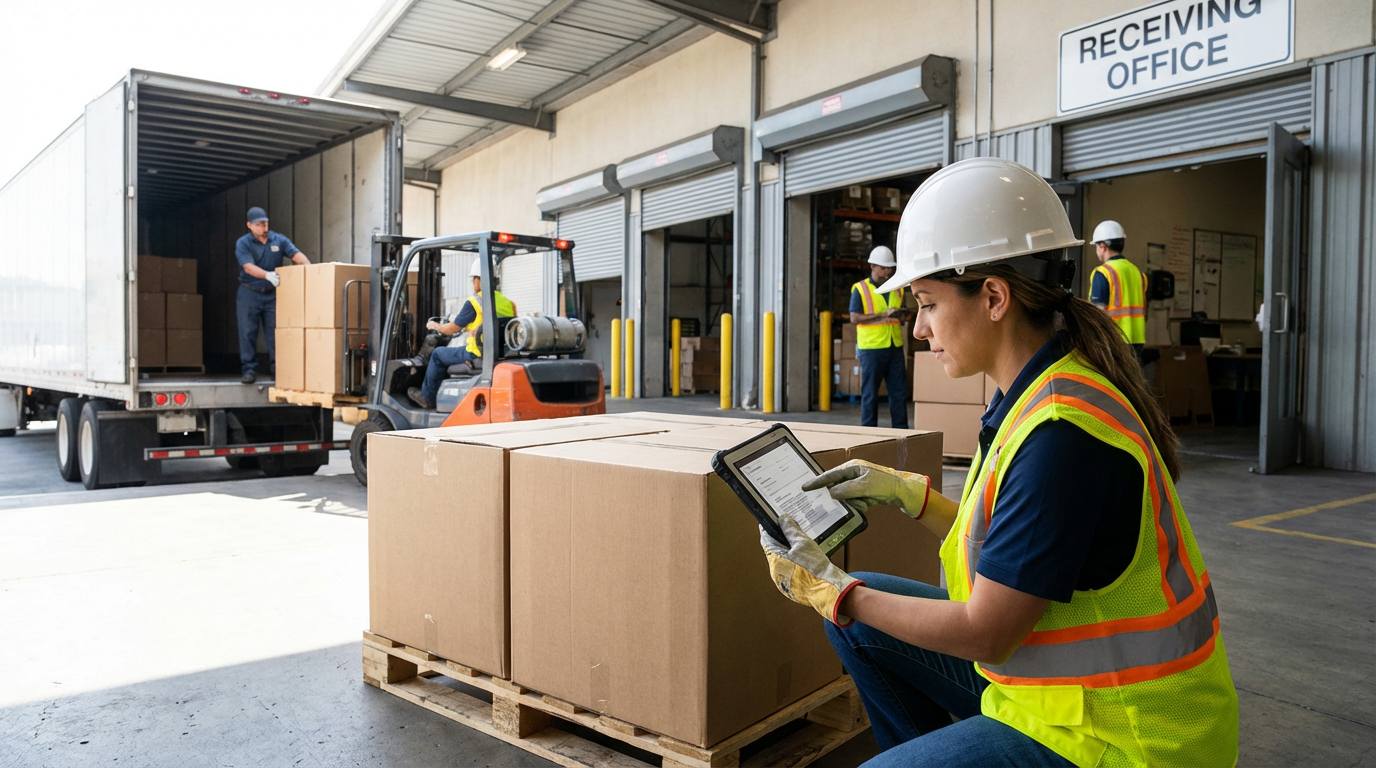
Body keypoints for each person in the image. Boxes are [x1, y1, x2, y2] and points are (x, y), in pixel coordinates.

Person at [759, 158, 1238, 767]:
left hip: (1120, 737)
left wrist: (835, 592)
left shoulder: (1062, 435)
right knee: (863, 619)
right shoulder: (1040, 391)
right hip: (1058, 698)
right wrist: (911, 496)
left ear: (993, 297)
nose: (919, 328)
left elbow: (985, 631)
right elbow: (1021, 545)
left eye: (927, 303)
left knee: (855, 608)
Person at [407, 259, 516, 409]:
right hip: (499, 354)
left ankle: (427, 397)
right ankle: (442, 395)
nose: (473, 284)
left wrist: (436, 326)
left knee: (438, 354)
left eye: (473, 280)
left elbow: (451, 329)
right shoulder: (508, 302)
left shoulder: (475, 302)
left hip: (476, 353)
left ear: (478, 279)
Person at [234, 206, 309, 384]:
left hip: (272, 295)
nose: (264, 228)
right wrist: (267, 275)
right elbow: (248, 267)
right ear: (249, 225)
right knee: (247, 332)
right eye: (259, 225)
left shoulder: (278, 240)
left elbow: (296, 255)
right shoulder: (243, 243)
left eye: (266, 224)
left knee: (275, 333)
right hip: (249, 293)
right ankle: (249, 370)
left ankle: (277, 370)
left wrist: (308, 267)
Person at [849, 245, 909, 429]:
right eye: (884, 268)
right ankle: (869, 432)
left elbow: (900, 318)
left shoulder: (897, 289)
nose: (888, 272)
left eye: (890, 268)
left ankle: (901, 433)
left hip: (894, 346)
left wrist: (901, 315)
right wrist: (884, 315)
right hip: (871, 349)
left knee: (899, 393)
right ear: (873, 267)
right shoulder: (860, 289)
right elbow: (854, 317)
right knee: (870, 394)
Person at [1088, 220, 1147, 353]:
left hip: (1114, 340)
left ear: (1102, 246)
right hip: (1137, 340)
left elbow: (1098, 312)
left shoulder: (1103, 272)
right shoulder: (1138, 272)